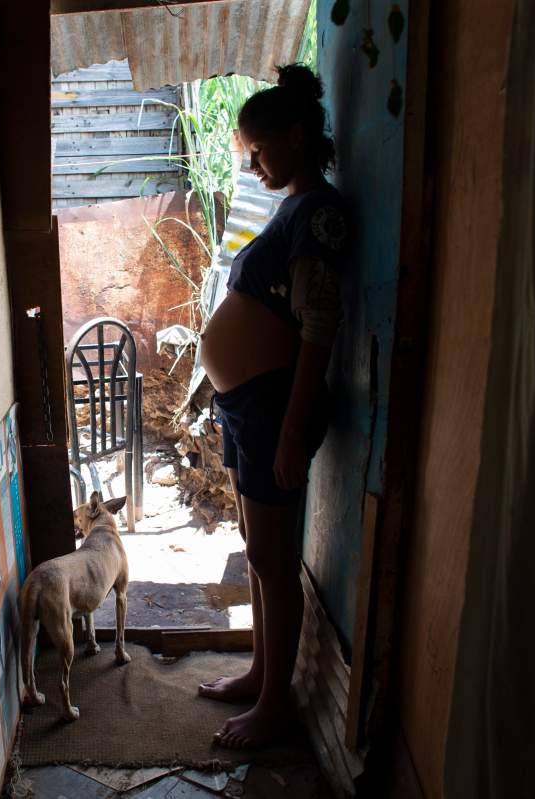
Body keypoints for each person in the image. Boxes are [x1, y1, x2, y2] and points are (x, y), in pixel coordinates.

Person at [197, 63, 349, 749]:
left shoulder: (319, 213)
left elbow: (319, 324)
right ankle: (262, 674)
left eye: (259, 151)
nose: (253, 165)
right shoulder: (292, 206)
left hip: (273, 406)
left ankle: (276, 704)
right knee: (258, 554)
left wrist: (291, 428)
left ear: (295, 136)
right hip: (248, 406)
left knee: (273, 557)